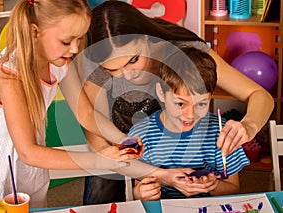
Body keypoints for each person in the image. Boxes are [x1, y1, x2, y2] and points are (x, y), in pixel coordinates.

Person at [82, 0, 273, 204]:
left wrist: (248, 125)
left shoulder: (186, 53)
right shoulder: (96, 67)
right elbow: (97, 134)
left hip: (182, 139)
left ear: (146, 37)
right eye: (113, 70)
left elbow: (259, 95)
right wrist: (136, 164)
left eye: (133, 60)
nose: (128, 76)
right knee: (101, 201)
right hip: (121, 144)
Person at [0, 0, 143, 210]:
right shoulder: (9, 77)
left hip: (30, 167)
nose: (75, 48)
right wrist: (100, 160)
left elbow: (85, 113)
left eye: (79, 39)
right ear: (34, 32)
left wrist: (123, 140)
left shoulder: (59, 61)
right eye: (67, 41)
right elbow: (28, 152)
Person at [130, 47, 249, 201]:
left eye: (201, 104)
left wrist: (214, 186)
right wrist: (140, 194)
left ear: (210, 97)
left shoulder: (222, 133)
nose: (190, 115)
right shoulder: (140, 134)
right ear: (161, 93)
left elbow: (233, 188)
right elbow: (138, 190)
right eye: (180, 104)